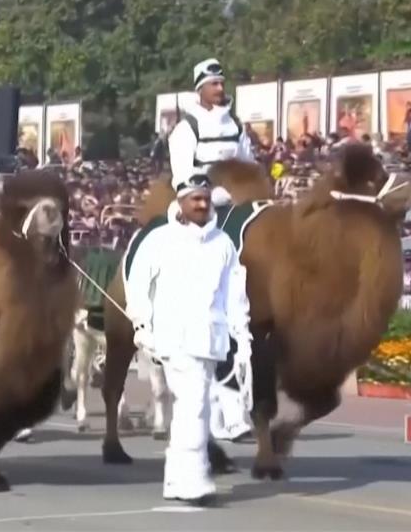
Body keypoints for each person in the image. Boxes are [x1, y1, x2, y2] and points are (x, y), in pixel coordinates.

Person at [125, 174, 254, 507]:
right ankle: (194, 478)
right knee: (195, 406)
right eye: (195, 198)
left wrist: (242, 335)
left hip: (211, 339)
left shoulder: (223, 244)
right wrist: (142, 325)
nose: (201, 204)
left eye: (205, 199)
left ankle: (177, 478)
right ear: (181, 202)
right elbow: (138, 284)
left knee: (192, 407)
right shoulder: (160, 240)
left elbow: (234, 293)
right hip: (174, 337)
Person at [168, 58, 254, 188]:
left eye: (222, 84)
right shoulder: (187, 128)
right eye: (214, 84)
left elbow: (249, 166)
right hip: (202, 196)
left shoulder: (236, 125)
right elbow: (183, 176)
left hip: (236, 196)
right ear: (200, 89)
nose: (220, 88)